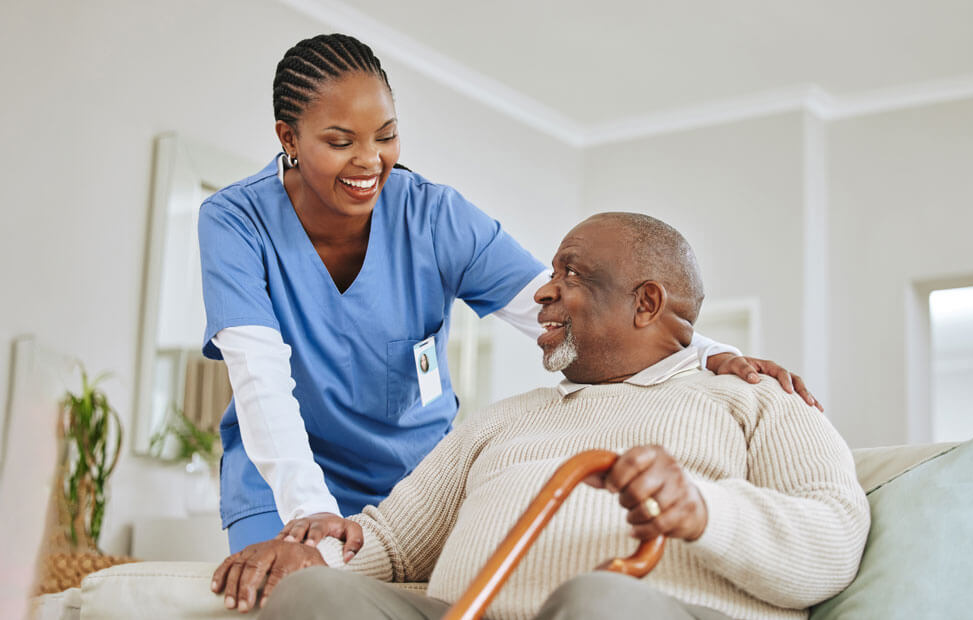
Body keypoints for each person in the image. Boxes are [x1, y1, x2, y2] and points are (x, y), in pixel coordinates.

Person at [198, 33, 823, 557]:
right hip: (282, 478)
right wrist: (310, 511)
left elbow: (558, 308)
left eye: (386, 135)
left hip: (412, 484)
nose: (371, 161)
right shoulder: (234, 222)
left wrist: (704, 350)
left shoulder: (433, 217)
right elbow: (260, 381)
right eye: (340, 142)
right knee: (289, 595)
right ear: (288, 137)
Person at [211, 213, 869, 620]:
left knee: (599, 601)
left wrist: (703, 510)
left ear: (646, 303)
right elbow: (388, 542)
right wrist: (307, 555)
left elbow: (835, 541)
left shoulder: (755, 398)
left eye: (572, 275)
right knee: (313, 598)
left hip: (642, 611)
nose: (545, 291)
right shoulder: (502, 421)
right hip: (464, 613)